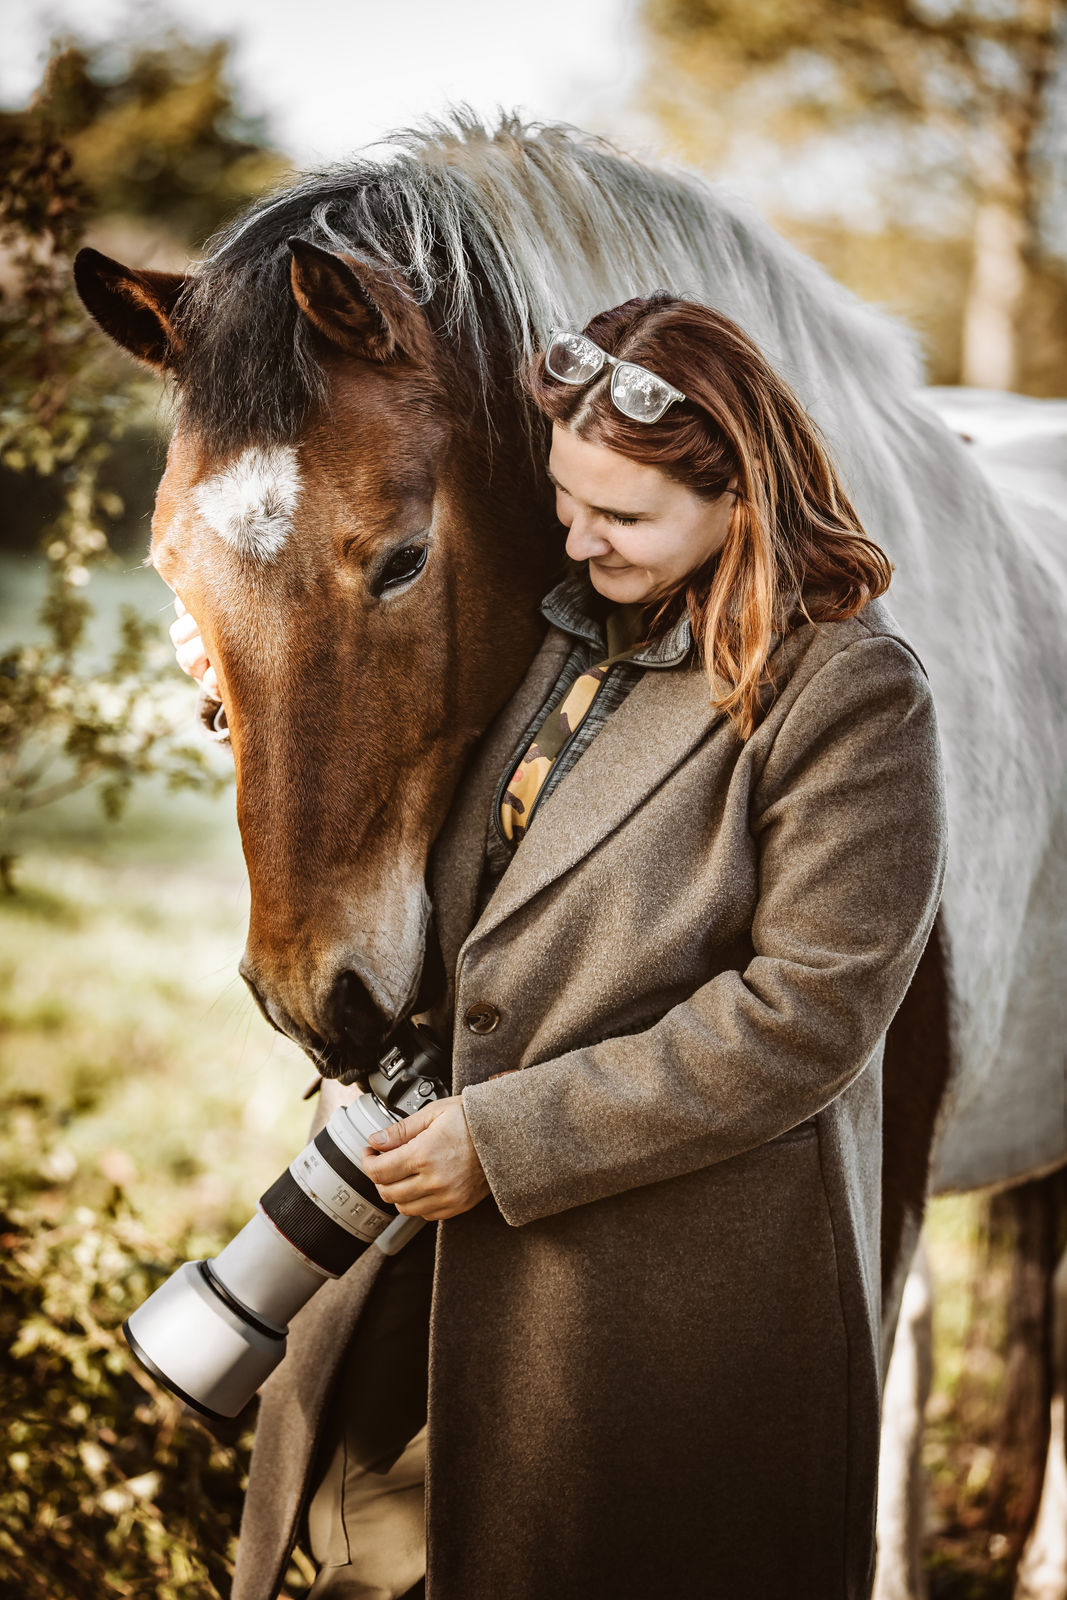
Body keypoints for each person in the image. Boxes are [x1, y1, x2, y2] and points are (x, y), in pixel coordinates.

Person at [172, 295, 948, 1600]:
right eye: (567, 499)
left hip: (653, 1301)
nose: (579, 538)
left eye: (625, 516)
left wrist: (514, 1137)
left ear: (743, 497)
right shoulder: (571, 629)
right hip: (440, 1240)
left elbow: (807, 1013)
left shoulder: (852, 694)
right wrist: (243, 677)